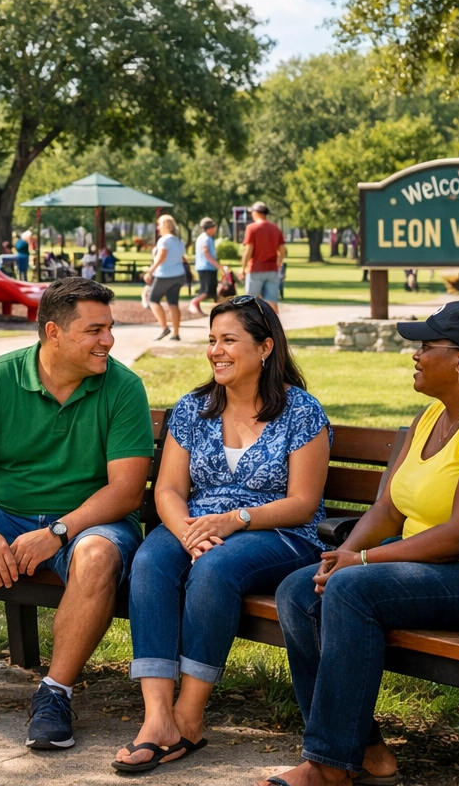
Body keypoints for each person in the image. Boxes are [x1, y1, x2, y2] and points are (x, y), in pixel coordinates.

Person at [266, 301, 459, 786]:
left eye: (427, 346)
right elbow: (387, 509)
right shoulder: (428, 417)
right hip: (448, 575)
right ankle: (364, 751)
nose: (416, 354)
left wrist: (361, 560)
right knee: (300, 589)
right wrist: (343, 557)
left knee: (350, 589)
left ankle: (327, 765)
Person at [0, 277, 153, 750]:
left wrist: (58, 531)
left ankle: (55, 693)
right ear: (53, 332)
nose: (109, 340)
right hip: (5, 515)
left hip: (88, 523)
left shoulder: (122, 388)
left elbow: (125, 491)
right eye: (95, 330)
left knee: (97, 556)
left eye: (110, 328)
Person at [114, 296, 330, 773]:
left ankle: (188, 719)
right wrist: (187, 532)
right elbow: (169, 488)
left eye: (229, 340)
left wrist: (236, 520)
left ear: (266, 347)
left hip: (281, 532)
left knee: (214, 569)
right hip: (197, 525)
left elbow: (303, 502)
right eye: (212, 340)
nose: (216, 350)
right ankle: (157, 720)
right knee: (150, 561)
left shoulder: (302, 411)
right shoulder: (194, 408)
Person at [144, 214, 188, 342]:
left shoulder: (164, 240)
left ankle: (164, 328)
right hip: (179, 275)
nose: (158, 228)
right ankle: (176, 333)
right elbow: (181, 258)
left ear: (165, 225)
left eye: (159, 224)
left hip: (165, 275)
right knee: (173, 303)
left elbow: (161, 257)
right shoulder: (179, 241)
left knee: (152, 299)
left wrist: (150, 271)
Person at [240, 202, 287, 313]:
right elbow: (282, 250)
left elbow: (249, 251)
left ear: (256, 213)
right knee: (271, 302)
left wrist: (243, 268)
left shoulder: (252, 228)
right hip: (272, 270)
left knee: (251, 302)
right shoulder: (275, 228)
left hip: (256, 269)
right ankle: (274, 327)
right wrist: (279, 261)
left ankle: (252, 328)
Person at [187, 218, 221, 315]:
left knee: (210, 289)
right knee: (207, 290)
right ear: (209, 228)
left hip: (209, 267)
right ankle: (194, 302)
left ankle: (197, 306)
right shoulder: (205, 238)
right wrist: (218, 266)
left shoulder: (208, 238)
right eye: (214, 227)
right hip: (206, 267)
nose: (215, 229)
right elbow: (207, 254)